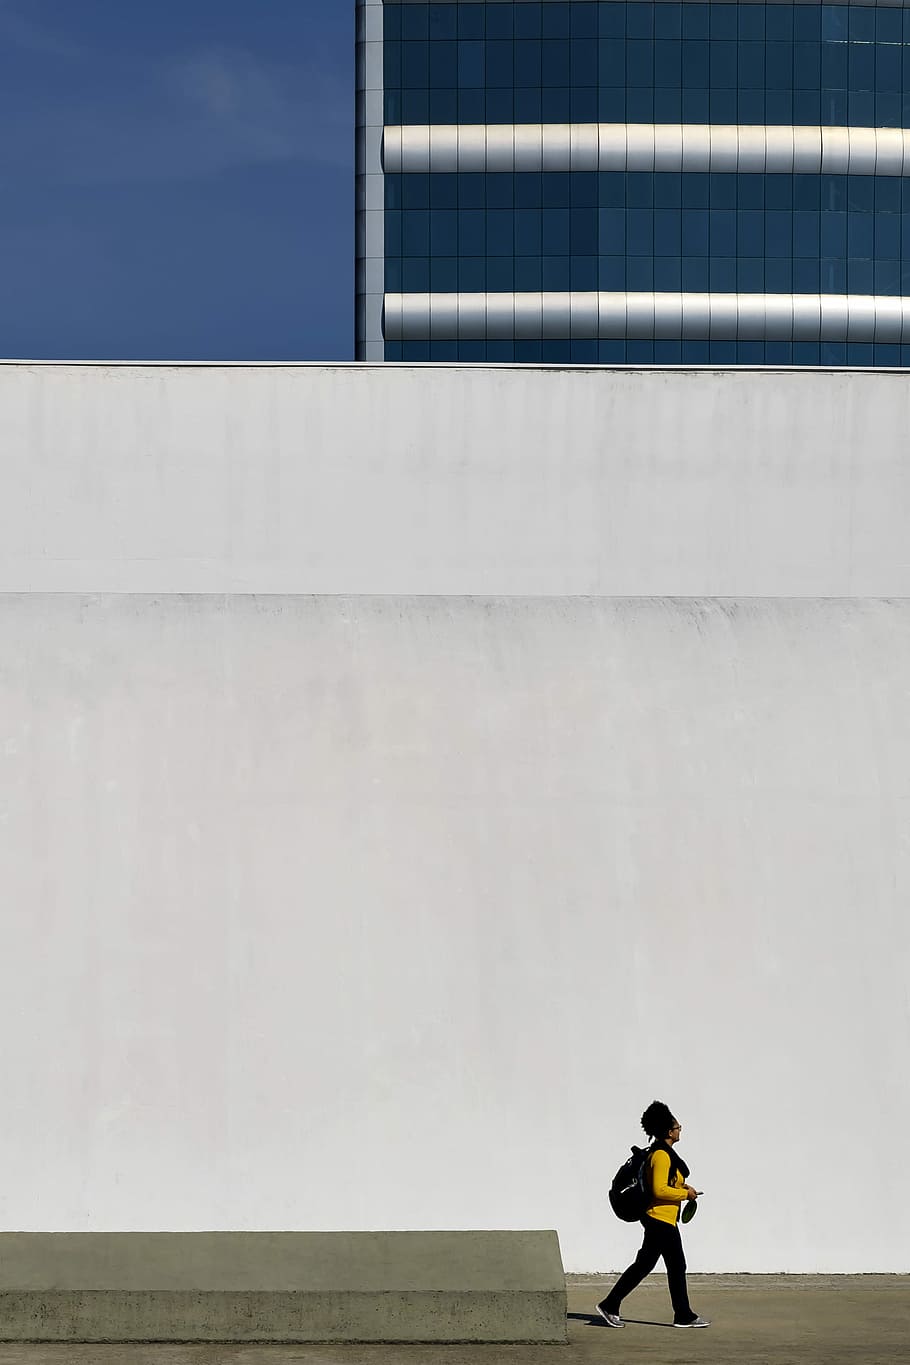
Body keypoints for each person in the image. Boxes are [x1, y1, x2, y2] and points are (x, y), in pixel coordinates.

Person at [596, 1100, 710, 1329]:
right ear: (669, 1132)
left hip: (664, 1219)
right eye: (678, 1127)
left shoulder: (665, 1154)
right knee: (658, 1265)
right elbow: (658, 1189)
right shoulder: (661, 1156)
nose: (680, 1130)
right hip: (658, 1219)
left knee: (664, 1265)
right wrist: (684, 1195)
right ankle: (612, 1304)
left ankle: (682, 1314)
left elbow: (667, 1184)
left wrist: (685, 1189)